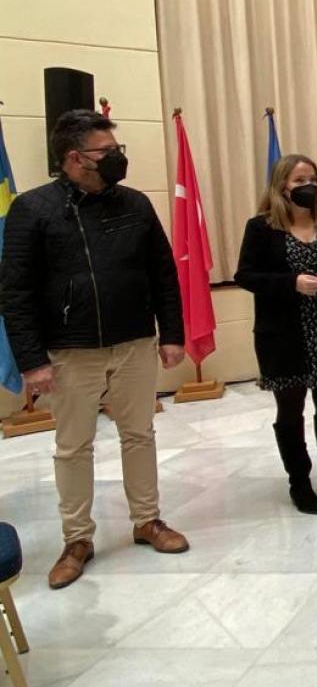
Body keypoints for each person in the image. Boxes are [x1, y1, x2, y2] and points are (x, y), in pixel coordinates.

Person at [0, 109, 189, 589]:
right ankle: (77, 539)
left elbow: (163, 274)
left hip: (133, 341)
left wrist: (171, 334)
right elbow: (15, 291)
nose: (116, 159)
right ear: (74, 158)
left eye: (116, 151)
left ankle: (148, 521)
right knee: (73, 446)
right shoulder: (33, 209)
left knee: (139, 433)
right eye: (107, 153)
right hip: (69, 351)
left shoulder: (136, 204)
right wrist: (31, 360)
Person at [236, 154, 317, 515]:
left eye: (311, 178)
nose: (307, 186)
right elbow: (246, 275)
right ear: (281, 187)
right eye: (298, 180)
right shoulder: (261, 228)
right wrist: (292, 282)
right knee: (290, 410)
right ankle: (299, 481)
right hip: (284, 337)